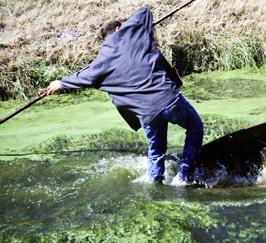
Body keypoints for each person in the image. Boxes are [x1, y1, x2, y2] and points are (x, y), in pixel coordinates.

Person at [47, 6, 204, 185]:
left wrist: (60, 83)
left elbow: (82, 78)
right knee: (195, 127)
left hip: (146, 114)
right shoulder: (132, 32)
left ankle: (155, 182)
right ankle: (183, 177)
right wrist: (128, 28)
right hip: (167, 99)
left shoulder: (100, 63)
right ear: (118, 29)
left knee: (157, 150)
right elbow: (144, 10)